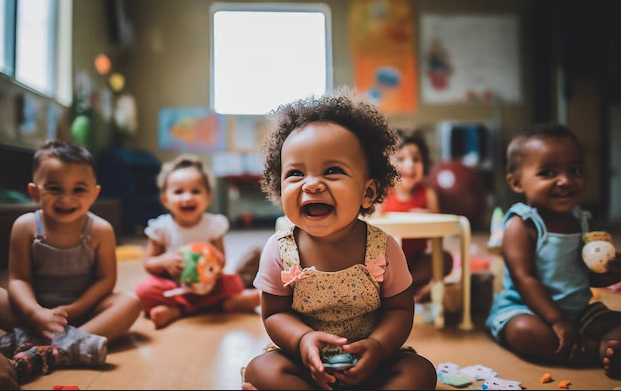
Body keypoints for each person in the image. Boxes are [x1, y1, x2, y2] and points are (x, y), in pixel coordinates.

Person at [242, 87, 437, 390]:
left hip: (372, 361)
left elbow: (400, 309)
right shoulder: (280, 250)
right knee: (262, 369)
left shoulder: (383, 247)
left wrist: (378, 346)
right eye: (295, 173)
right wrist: (303, 340)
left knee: (420, 372)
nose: (312, 184)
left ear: (368, 192)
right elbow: (274, 313)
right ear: (279, 187)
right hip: (305, 362)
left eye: (332, 170)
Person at [485, 123, 621, 378]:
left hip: (579, 312)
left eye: (575, 170)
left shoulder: (582, 220)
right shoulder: (522, 224)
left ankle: (605, 349)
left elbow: (579, 274)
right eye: (548, 172)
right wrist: (558, 321)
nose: (566, 180)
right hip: (526, 310)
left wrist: (609, 275)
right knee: (524, 333)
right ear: (516, 182)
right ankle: (597, 353)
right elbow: (524, 279)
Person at [0, 140, 142, 369]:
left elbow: (105, 280)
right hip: (33, 313)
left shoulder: (101, 230)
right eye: (55, 188)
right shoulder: (25, 227)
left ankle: (55, 345)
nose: (66, 198)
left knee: (131, 302)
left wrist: (72, 310)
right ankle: (61, 345)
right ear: (34, 193)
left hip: (84, 313)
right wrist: (36, 313)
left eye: (78, 189)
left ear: (94, 194)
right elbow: (19, 279)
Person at [134, 154, 261, 329]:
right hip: (175, 285)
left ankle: (177, 310)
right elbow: (148, 263)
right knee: (144, 291)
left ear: (208, 197)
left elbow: (221, 262)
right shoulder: (161, 228)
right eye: (178, 192)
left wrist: (214, 261)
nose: (187, 197)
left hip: (207, 284)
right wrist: (164, 261)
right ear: (165, 199)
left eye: (195, 191)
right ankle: (221, 305)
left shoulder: (213, 225)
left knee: (232, 282)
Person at [378, 130, 453, 302]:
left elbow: (438, 232)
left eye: (416, 159)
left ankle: (406, 289)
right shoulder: (383, 195)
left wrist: (429, 218)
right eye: (402, 159)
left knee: (445, 259)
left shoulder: (428, 194)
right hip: (387, 263)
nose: (410, 165)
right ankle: (408, 290)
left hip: (415, 262)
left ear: (424, 165)